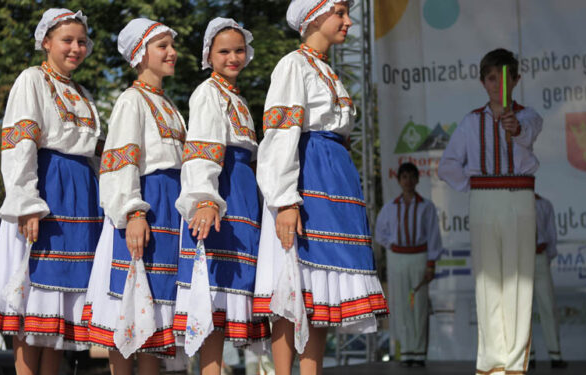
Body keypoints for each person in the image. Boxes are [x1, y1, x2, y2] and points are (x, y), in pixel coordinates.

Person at [253, 1, 388, 374]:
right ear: (314, 16)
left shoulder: (327, 71)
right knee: (291, 282)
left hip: (335, 181)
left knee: (320, 289)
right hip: (306, 180)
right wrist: (284, 200)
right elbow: (280, 134)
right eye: (340, 12)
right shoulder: (293, 66)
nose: (347, 20)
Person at [0, 8, 102, 374]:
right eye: (67, 40)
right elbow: (20, 144)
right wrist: (26, 204)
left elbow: (90, 149)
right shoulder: (31, 79)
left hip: (81, 197)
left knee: (58, 315)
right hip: (47, 190)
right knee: (33, 307)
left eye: (81, 41)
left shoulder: (83, 94)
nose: (76, 48)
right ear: (46, 42)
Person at [82, 18, 185, 374]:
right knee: (129, 309)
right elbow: (118, 163)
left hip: (169, 212)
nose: (172, 52)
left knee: (155, 314)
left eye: (171, 45)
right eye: (162, 46)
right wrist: (132, 212)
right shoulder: (131, 101)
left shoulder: (169, 105)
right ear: (140, 54)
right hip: (146, 206)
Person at [173, 17, 270, 375]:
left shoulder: (237, 99)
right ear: (209, 56)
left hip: (243, 196)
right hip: (222, 193)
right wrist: (205, 198)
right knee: (212, 298)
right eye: (224, 51)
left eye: (239, 50)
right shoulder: (208, 93)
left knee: (231, 298)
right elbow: (203, 149)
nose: (233, 57)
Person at [437, 48, 543, 375]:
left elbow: (525, 130)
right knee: (488, 280)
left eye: (506, 77)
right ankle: (490, 363)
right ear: (483, 82)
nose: (499, 84)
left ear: (517, 80)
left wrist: (514, 129)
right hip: (484, 199)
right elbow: (447, 165)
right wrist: (476, 183)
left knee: (518, 278)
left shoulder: (528, 116)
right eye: (492, 78)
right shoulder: (471, 121)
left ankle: (513, 363)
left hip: (518, 198)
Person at [375, 162, 444, 367]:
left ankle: (419, 352)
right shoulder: (389, 208)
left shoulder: (426, 206)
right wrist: (392, 245)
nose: (407, 181)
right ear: (399, 181)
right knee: (401, 304)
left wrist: (431, 264)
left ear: (417, 179)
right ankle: (406, 351)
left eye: (411, 177)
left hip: (419, 256)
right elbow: (380, 233)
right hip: (397, 258)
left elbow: (433, 235)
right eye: (404, 177)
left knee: (419, 304)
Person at [530, 194, 568, 369]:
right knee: (522, 310)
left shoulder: (544, 204)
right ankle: (527, 356)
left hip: (539, 256)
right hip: (518, 257)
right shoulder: (512, 203)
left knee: (548, 305)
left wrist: (547, 257)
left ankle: (555, 353)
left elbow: (551, 233)